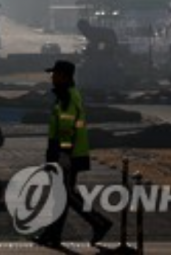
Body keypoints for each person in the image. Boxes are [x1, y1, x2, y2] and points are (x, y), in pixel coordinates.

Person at [35, 59, 113, 248]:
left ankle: (99, 223)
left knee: (67, 194)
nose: (52, 77)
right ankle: (52, 235)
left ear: (64, 76)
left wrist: (64, 154)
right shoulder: (66, 95)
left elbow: (67, 129)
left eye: (55, 74)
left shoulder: (68, 98)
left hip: (68, 154)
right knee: (60, 194)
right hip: (64, 152)